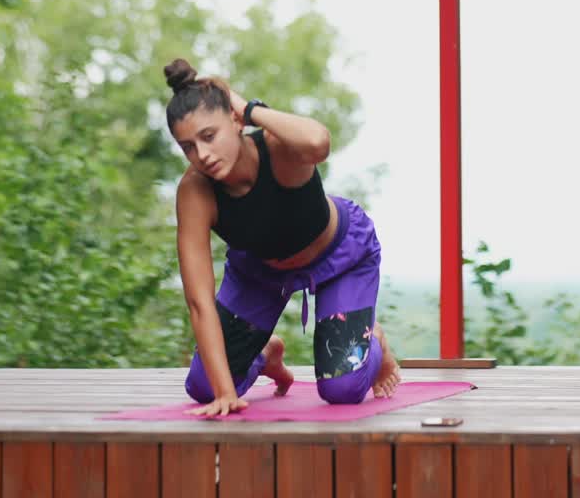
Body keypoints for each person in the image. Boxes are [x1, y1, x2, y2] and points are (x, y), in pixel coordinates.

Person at [163, 58, 401, 418]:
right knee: (204, 387)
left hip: (341, 257)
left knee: (342, 390)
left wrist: (248, 108)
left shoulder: (278, 149)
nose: (203, 155)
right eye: (189, 147)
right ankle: (265, 354)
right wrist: (226, 394)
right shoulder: (196, 191)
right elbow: (199, 302)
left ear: (235, 120)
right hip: (258, 273)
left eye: (209, 136)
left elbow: (318, 142)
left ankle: (374, 344)